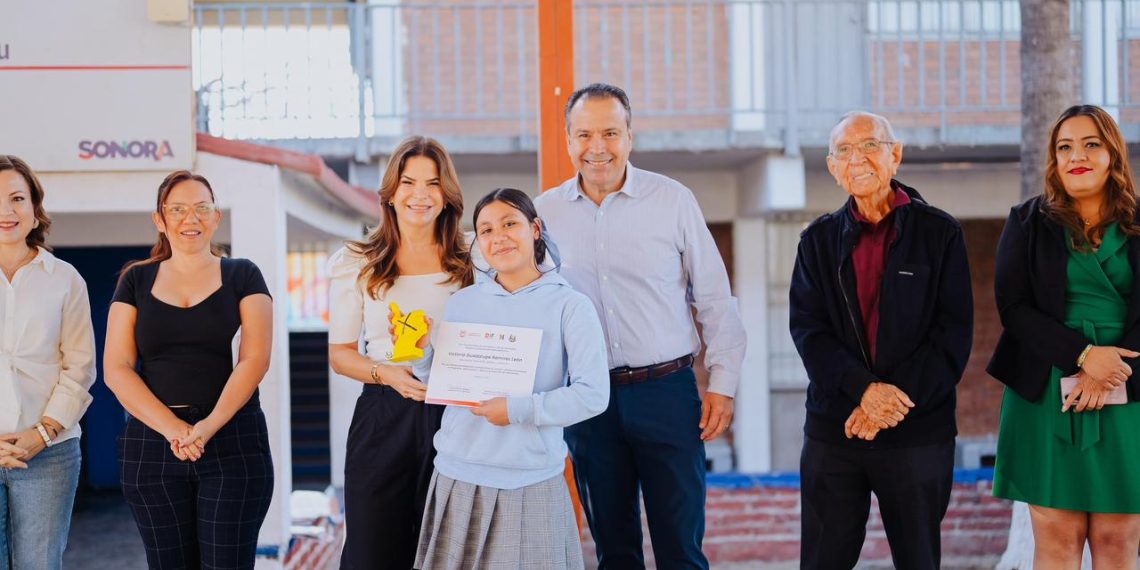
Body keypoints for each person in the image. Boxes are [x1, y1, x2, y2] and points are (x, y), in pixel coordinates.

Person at [534, 82, 746, 569]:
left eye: (610, 132)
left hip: (667, 394)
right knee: (614, 552)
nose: (597, 147)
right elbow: (528, 301)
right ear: (568, 140)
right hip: (588, 401)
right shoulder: (543, 213)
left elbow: (714, 297)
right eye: (584, 134)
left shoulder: (672, 201)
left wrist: (724, 383)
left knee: (681, 551)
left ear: (630, 136)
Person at [788, 111, 973, 569]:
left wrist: (888, 403)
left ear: (896, 155)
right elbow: (809, 332)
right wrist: (864, 392)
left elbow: (952, 335)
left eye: (869, 145)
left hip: (917, 430)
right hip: (837, 428)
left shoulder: (940, 233)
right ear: (832, 167)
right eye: (844, 151)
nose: (858, 159)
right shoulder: (817, 241)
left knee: (918, 560)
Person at [412, 188, 609, 570]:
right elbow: (441, 384)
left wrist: (517, 409)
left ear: (535, 229)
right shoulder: (462, 302)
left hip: (531, 480)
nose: (497, 237)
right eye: (485, 230)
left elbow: (593, 395)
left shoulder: (570, 305)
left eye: (509, 224)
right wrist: (421, 352)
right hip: (457, 472)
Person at [990, 104, 1140, 568]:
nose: (1078, 155)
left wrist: (1108, 372)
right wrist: (1083, 355)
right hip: (1045, 390)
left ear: (1112, 154)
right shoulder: (1027, 222)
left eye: (1091, 144)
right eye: (1065, 147)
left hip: (1130, 390)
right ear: (1054, 161)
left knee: (1119, 539)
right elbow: (1013, 308)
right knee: (1055, 537)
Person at [104, 170, 274, 569]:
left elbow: (255, 359)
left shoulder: (243, 274)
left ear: (216, 217)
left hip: (233, 442)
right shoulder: (135, 280)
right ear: (160, 220)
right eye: (177, 209)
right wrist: (175, 430)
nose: (190, 218)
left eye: (201, 208)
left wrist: (208, 426)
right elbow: (117, 367)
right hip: (152, 447)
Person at [327, 136, 472, 570]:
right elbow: (340, 354)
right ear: (390, 192)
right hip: (384, 414)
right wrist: (385, 372)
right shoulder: (358, 260)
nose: (420, 195)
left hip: (456, 415)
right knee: (373, 552)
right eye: (409, 182)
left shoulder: (472, 256)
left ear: (447, 195)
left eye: (432, 183)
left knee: (447, 552)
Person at [0, 155, 96, 570]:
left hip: (49, 453)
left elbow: (80, 367)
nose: (6, 211)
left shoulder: (65, 279)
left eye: (17, 198)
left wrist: (42, 432)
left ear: (35, 208)